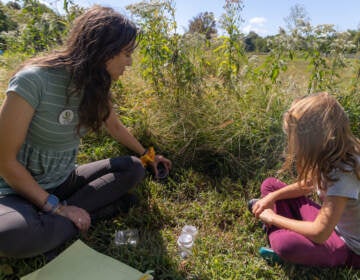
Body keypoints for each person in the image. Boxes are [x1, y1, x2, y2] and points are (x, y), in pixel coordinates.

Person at [0, 5, 171, 258]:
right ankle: (89, 214)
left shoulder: (94, 86)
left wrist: (147, 155)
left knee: (133, 168)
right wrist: (57, 208)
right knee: (9, 235)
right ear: (103, 50)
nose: (130, 62)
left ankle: (55, 226)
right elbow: (5, 162)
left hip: (63, 181)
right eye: (125, 53)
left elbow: (114, 125)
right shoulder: (33, 81)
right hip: (16, 189)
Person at [248, 92, 360, 267]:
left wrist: (272, 218)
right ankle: (286, 230)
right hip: (333, 225)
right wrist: (272, 198)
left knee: (287, 246)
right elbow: (308, 184)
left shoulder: (344, 174)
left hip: (349, 247)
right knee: (270, 186)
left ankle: (285, 242)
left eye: (295, 137)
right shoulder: (333, 152)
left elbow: (319, 233)